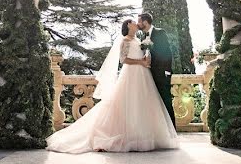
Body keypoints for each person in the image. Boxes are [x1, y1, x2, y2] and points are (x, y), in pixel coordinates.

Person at [45, 18, 179, 153]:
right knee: (126, 104)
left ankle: (141, 134)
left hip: (143, 75)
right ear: (128, 25)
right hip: (131, 74)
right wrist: (140, 63)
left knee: (141, 103)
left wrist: (145, 60)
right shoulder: (125, 40)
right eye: (133, 22)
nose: (136, 24)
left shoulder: (138, 40)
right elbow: (123, 59)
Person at [137, 12, 177, 127]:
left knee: (166, 101)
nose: (138, 24)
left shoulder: (160, 33)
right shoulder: (143, 37)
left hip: (162, 73)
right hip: (149, 75)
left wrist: (167, 71)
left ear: (145, 22)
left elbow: (167, 52)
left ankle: (172, 130)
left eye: (139, 21)